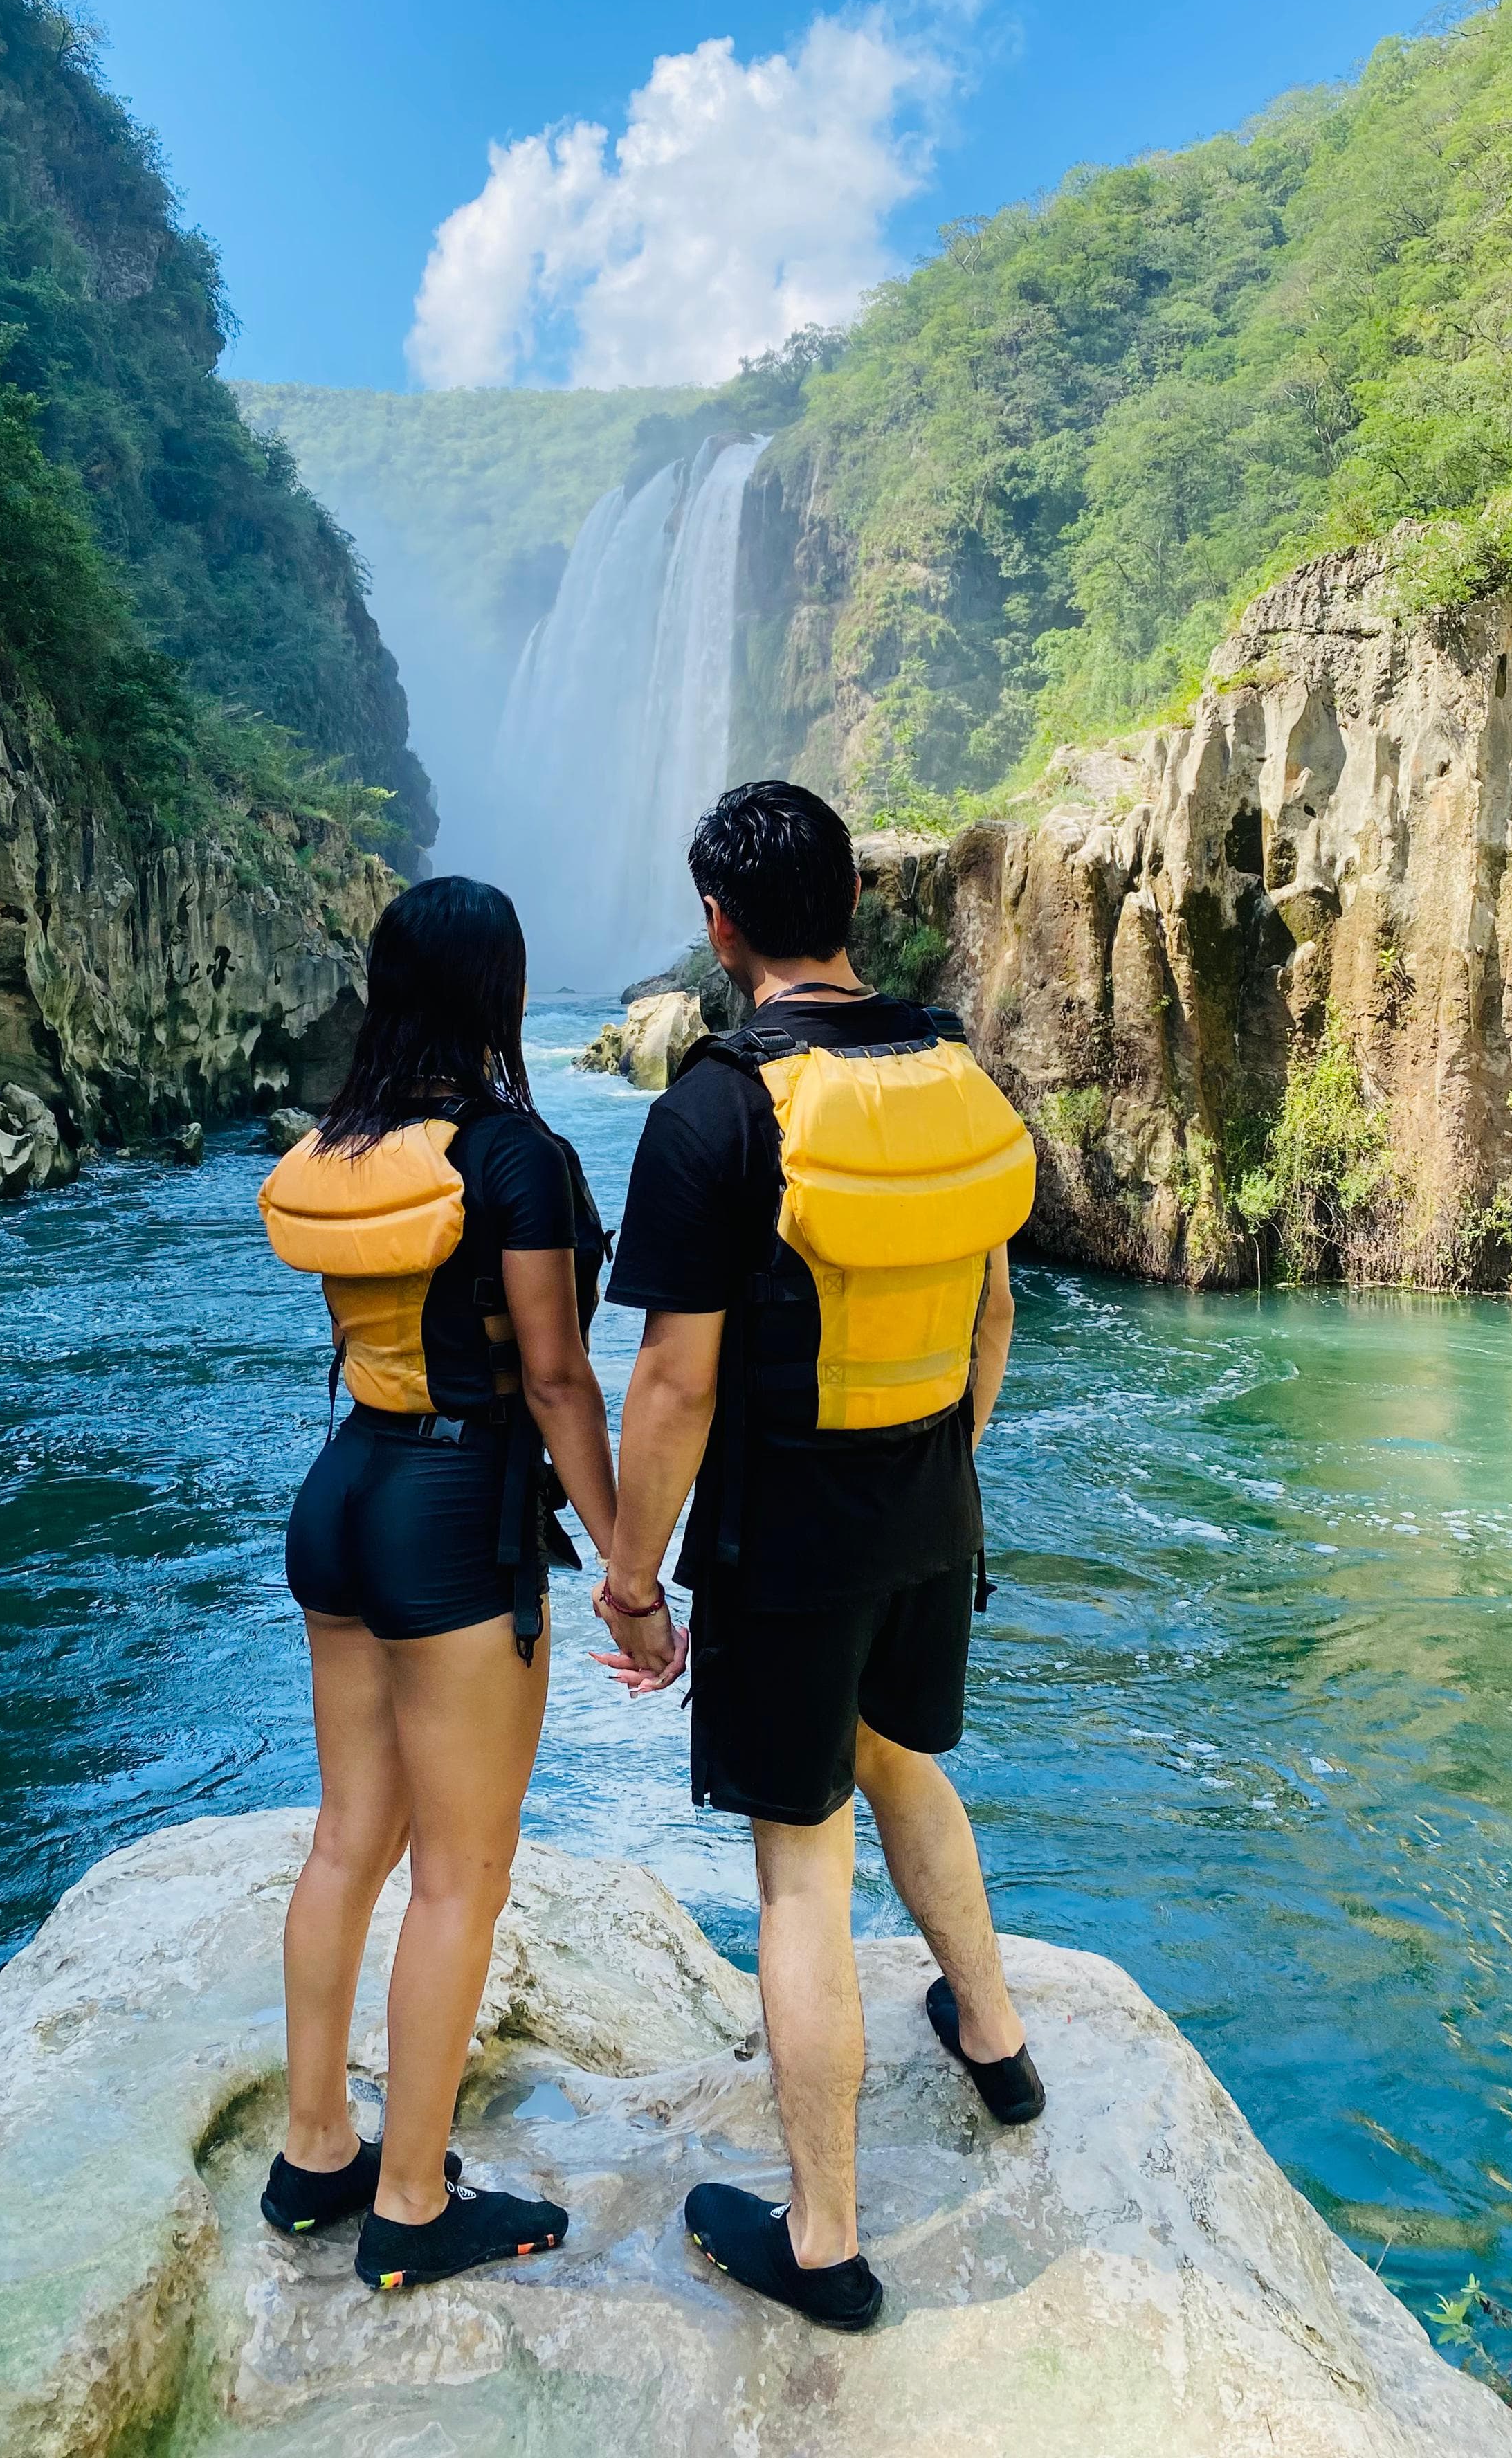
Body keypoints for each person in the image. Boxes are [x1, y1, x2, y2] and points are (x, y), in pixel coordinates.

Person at [594, 781, 1042, 2333]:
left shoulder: (717, 1107)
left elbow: (672, 1384)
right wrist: (946, 1479)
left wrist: (635, 1583)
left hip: (787, 1537)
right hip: (933, 1502)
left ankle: (827, 2240)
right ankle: (992, 2036)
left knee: (801, 1869)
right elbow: (995, 1314)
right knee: (907, 1757)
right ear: (850, 907)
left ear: (720, 928)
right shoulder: (954, 1072)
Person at [254, 876, 626, 2293]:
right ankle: (412, 2205)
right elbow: (552, 1375)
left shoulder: (346, 1146)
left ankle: (315, 2156)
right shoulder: (514, 1155)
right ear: (501, 992)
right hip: (454, 1514)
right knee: (460, 1875)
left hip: (340, 1493)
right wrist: (628, 1569)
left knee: (348, 1838)